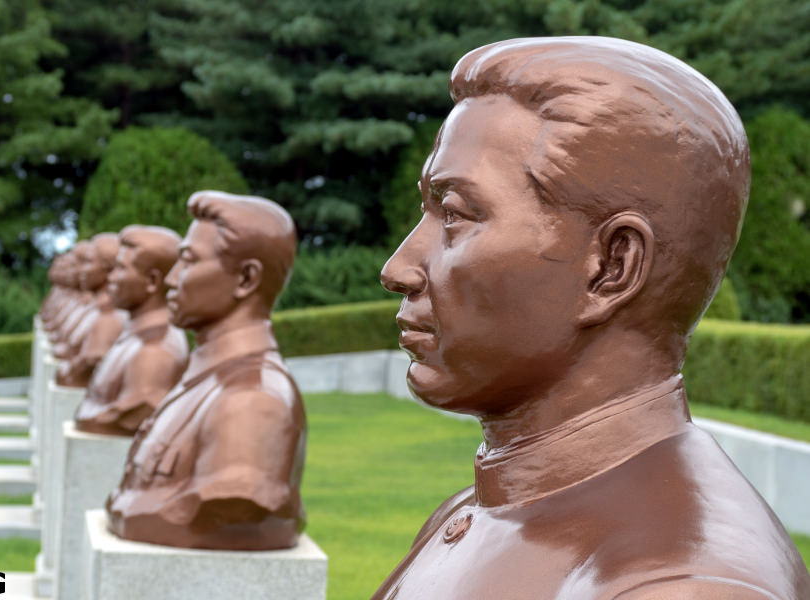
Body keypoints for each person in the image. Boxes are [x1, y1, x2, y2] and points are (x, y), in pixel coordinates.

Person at [375, 37, 810, 599]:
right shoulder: (472, 510)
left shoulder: (677, 586)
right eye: (427, 210)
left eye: (456, 214)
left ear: (611, 267)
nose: (399, 268)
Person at [106, 191, 307, 550]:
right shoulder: (208, 378)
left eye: (188, 260)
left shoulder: (251, 401)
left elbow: (236, 504)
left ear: (246, 279)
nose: (171, 279)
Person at [74, 225, 189, 436]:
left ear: (152, 281)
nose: (110, 278)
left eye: (121, 268)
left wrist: (86, 413)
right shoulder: (137, 335)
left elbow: (138, 409)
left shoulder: (154, 351)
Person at [55, 233, 128, 387]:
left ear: (108, 269)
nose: (79, 270)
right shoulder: (97, 311)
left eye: (87, 262)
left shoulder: (109, 319)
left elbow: (92, 360)